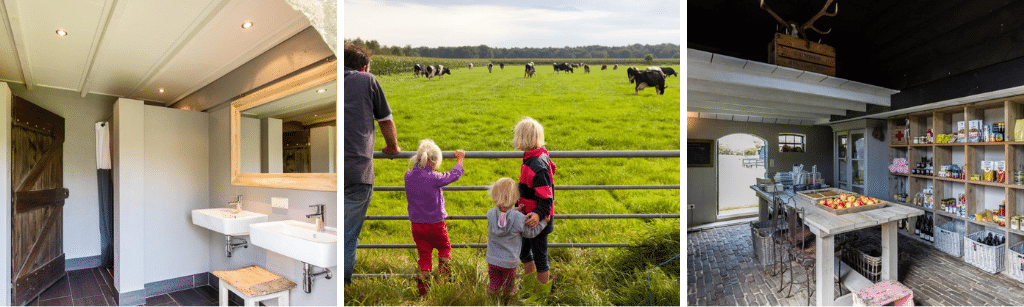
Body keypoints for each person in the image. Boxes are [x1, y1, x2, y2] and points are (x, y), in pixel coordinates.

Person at [344, 43, 400, 284]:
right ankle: (343, 287)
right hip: (358, 169)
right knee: (347, 237)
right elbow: (385, 120)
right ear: (364, 67)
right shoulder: (368, 80)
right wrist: (392, 148)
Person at [404, 140, 465, 295]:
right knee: (444, 249)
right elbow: (453, 175)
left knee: (424, 255)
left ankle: (423, 292)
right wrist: (460, 160)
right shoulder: (435, 177)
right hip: (436, 224)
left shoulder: (408, 176)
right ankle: (442, 285)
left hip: (417, 225)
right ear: (435, 160)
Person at [486, 177, 546, 303]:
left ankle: (491, 302)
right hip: (509, 262)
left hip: (492, 259)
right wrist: (543, 223)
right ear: (515, 197)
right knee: (509, 288)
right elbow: (530, 232)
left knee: (494, 285)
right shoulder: (518, 218)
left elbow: (503, 219)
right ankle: (508, 302)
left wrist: (513, 211)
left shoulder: (490, 214)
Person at [512, 116, 556, 287]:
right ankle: (531, 285)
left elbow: (546, 196)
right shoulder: (533, 156)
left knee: (540, 257)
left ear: (522, 138)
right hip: (527, 217)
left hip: (538, 220)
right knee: (523, 252)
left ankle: (541, 293)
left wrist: (538, 214)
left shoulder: (537, 164)